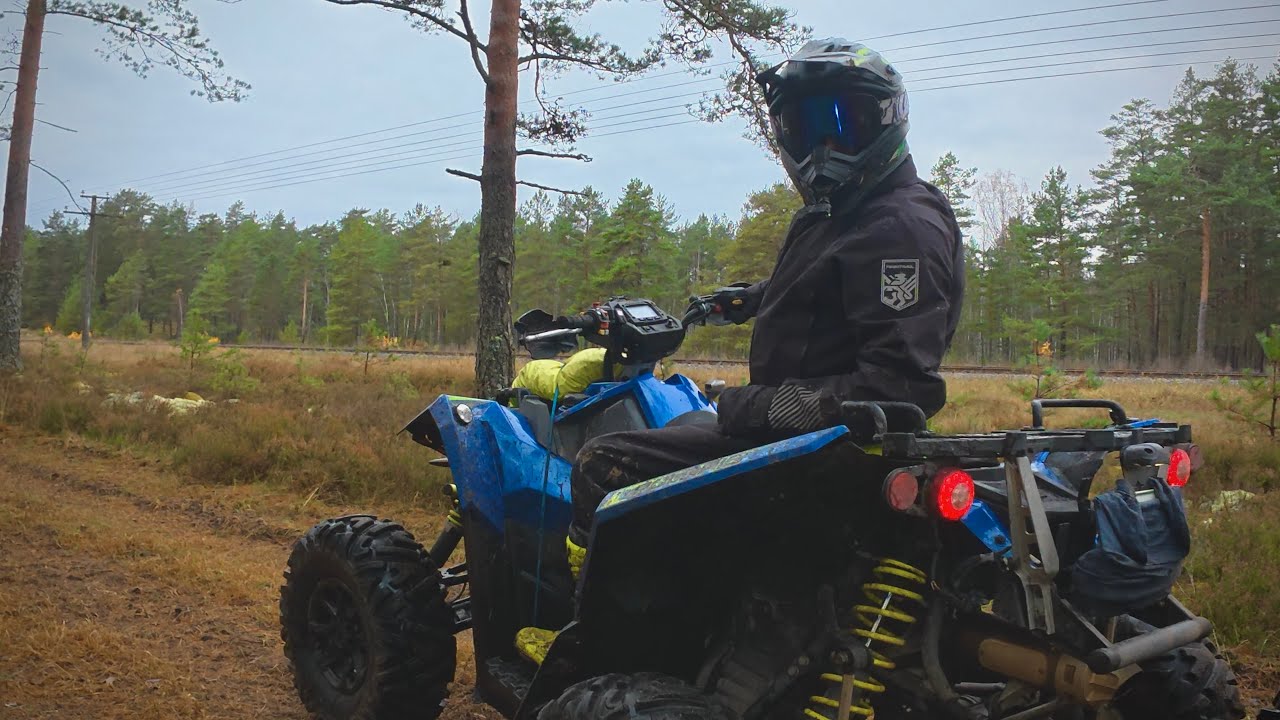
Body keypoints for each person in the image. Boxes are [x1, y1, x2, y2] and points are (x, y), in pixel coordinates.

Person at [565, 38, 966, 569]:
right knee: (681, 427)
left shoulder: (897, 227)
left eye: (842, 124)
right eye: (803, 128)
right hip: (803, 443)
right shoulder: (852, 210)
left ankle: (589, 627)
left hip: (822, 454)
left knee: (602, 461)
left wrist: (752, 404)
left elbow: (897, 389)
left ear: (886, 120)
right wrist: (752, 298)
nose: (822, 147)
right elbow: (836, 281)